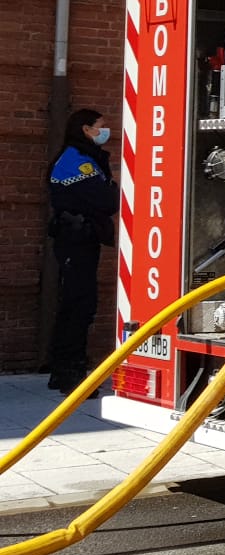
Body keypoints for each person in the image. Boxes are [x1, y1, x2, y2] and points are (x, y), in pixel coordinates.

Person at [45, 108, 118, 394]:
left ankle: (61, 368)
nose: (105, 129)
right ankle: (71, 374)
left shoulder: (84, 157)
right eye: (101, 125)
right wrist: (111, 187)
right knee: (79, 306)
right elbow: (108, 200)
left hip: (80, 239)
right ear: (86, 129)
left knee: (75, 305)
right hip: (75, 240)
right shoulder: (77, 161)